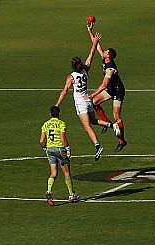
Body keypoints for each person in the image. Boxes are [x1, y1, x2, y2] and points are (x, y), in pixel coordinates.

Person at [54, 32, 117, 160]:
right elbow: (91, 55)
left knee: (86, 126)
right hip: (88, 99)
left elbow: (64, 91)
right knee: (93, 121)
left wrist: (57, 104)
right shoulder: (85, 70)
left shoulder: (71, 77)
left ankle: (97, 145)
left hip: (80, 102)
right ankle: (111, 125)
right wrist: (94, 43)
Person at [87, 27, 127, 152]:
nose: (103, 51)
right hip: (110, 89)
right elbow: (97, 46)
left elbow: (104, 85)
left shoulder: (110, 68)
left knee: (116, 115)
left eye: (106, 51)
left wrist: (92, 93)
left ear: (108, 55)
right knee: (93, 103)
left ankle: (122, 141)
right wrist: (90, 31)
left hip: (117, 91)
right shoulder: (105, 59)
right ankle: (105, 122)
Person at [39, 105, 79, 205]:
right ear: (59, 113)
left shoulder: (46, 124)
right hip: (60, 149)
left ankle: (49, 191)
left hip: (50, 149)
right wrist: (68, 148)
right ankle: (71, 194)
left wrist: (45, 147)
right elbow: (62, 138)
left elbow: (41, 140)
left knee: (53, 173)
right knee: (66, 172)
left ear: (50, 114)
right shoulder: (61, 124)